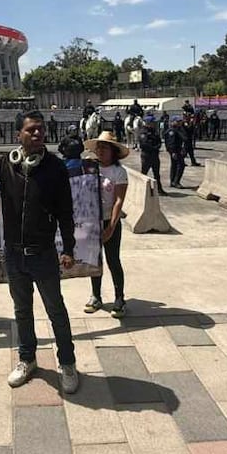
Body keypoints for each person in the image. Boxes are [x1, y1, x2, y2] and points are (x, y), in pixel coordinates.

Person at [0, 111, 80, 394]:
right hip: (14, 254)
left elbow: (66, 210)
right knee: (22, 311)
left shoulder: (55, 167)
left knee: (56, 310)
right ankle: (27, 359)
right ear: (18, 135)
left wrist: (68, 247)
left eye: (40, 130)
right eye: (31, 130)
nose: (37, 134)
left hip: (43, 254)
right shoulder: (6, 164)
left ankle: (67, 363)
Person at [83, 131, 129, 318]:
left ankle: (119, 297)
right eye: (98, 147)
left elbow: (119, 200)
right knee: (94, 259)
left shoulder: (119, 172)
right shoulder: (90, 168)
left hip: (110, 220)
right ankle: (96, 295)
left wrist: (110, 227)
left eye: (105, 147)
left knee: (113, 260)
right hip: (91, 220)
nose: (100, 151)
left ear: (113, 151)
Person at [139, 116, 168, 195]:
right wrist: (154, 148)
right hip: (147, 155)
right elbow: (144, 144)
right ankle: (141, 189)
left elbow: (158, 140)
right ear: (148, 123)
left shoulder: (154, 131)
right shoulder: (143, 132)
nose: (154, 124)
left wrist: (158, 146)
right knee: (144, 173)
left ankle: (159, 189)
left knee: (157, 174)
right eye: (152, 122)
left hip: (154, 155)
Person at [164, 116, 187, 189]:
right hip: (175, 150)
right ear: (173, 122)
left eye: (180, 121)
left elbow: (185, 138)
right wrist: (173, 152)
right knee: (180, 165)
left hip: (178, 150)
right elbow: (171, 143)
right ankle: (176, 181)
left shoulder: (179, 129)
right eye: (178, 121)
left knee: (175, 165)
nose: (180, 123)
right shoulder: (172, 131)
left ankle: (173, 181)